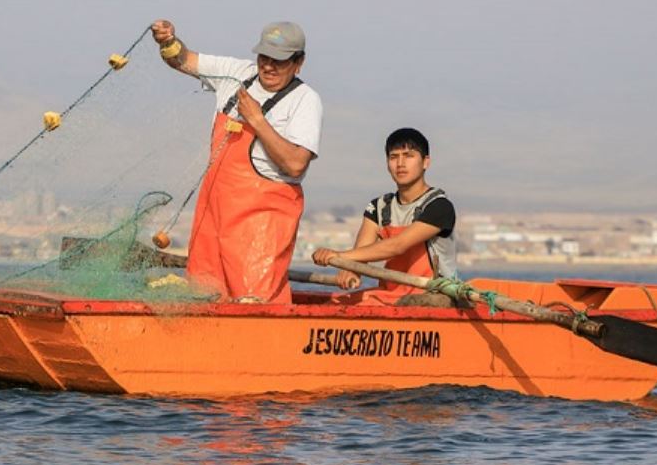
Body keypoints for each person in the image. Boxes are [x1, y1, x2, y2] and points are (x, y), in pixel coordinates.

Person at [151, 19, 323, 304]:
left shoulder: (305, 101)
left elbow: (295, 164)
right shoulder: (237, 74)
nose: (268, 67)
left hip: (262, 225)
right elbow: (183, 60)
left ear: (298, 63)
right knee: (203, 296)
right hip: (213, 215)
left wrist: (256, 119)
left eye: (278, 61)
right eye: (263, 58)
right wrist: (168, 41)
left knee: (254, 302)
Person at [312, 127, 457, 305]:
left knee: (407, 304)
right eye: (394, 157)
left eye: (408, 155)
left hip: (433, 296)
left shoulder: (439, 206)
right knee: (332, 307)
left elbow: (397, 246)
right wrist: (350, 270)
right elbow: (360, 254)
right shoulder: (377, 208)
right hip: (390, 296)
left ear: (426, 162)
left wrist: (339, 256)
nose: (400, 164)